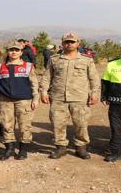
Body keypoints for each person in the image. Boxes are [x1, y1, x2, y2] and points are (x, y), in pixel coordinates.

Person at [39, 32, 100, 160]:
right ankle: (61, 147)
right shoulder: (54, 59)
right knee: (58, 123)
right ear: (62, 43)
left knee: (81, 123)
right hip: (58, 97)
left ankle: (81, 147)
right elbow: (47, 77)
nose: (69, 44)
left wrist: (95, 93)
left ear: (78, 43)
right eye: (67, 42)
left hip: (79, 98)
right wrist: (43, 91)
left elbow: (94, 78)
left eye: (72, 42)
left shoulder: (86, 60)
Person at [0, 41, 39, 160]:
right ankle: (9, 149)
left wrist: (35, 99)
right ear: (8, 52)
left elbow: (34, 84)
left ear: (21, 52)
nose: (14, 52)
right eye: (11, 50)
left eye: (16, 50)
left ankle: (23, 150)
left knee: (24, 126)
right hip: (4, 101)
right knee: (6, 125)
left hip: (24, 101)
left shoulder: (28, 66)